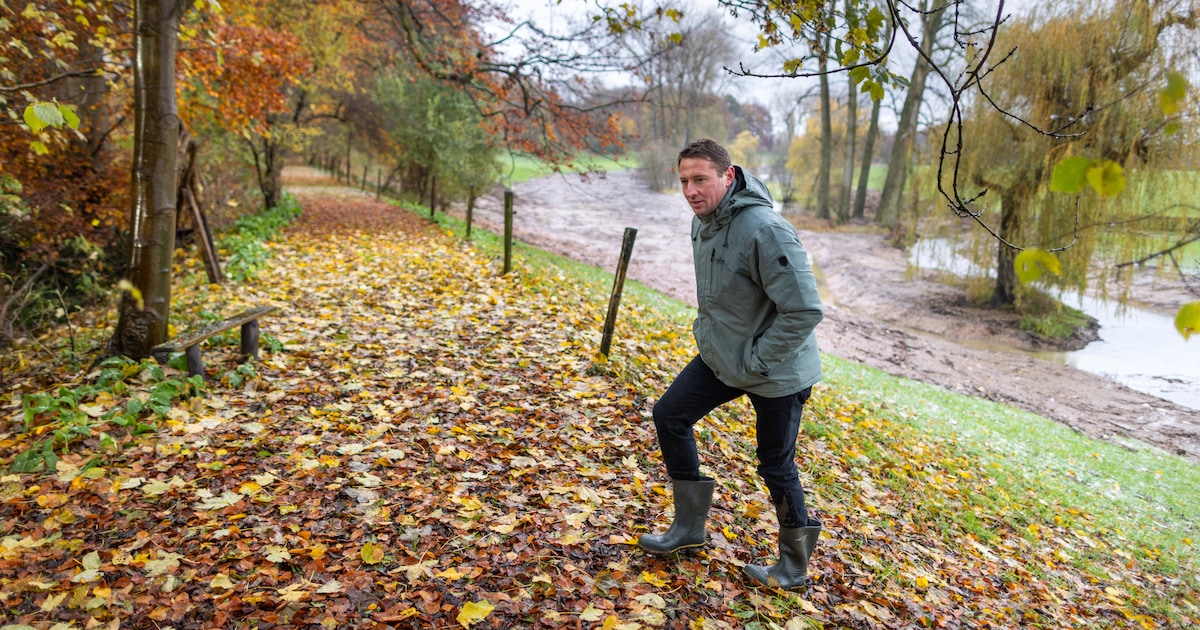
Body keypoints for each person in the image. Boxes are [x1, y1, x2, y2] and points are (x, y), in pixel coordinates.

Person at [637, 139, 825, 589]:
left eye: (700, 179)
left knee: (775, 464)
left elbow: (804, 310)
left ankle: (793, 567)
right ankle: (688, 529)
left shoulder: (765, 229)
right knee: (670, 414)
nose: (690, 190)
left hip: (775, 370)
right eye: (683, 180)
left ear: (728, 175)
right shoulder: (703, 223)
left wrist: (758, 360)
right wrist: (713, 340)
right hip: (723, 356)